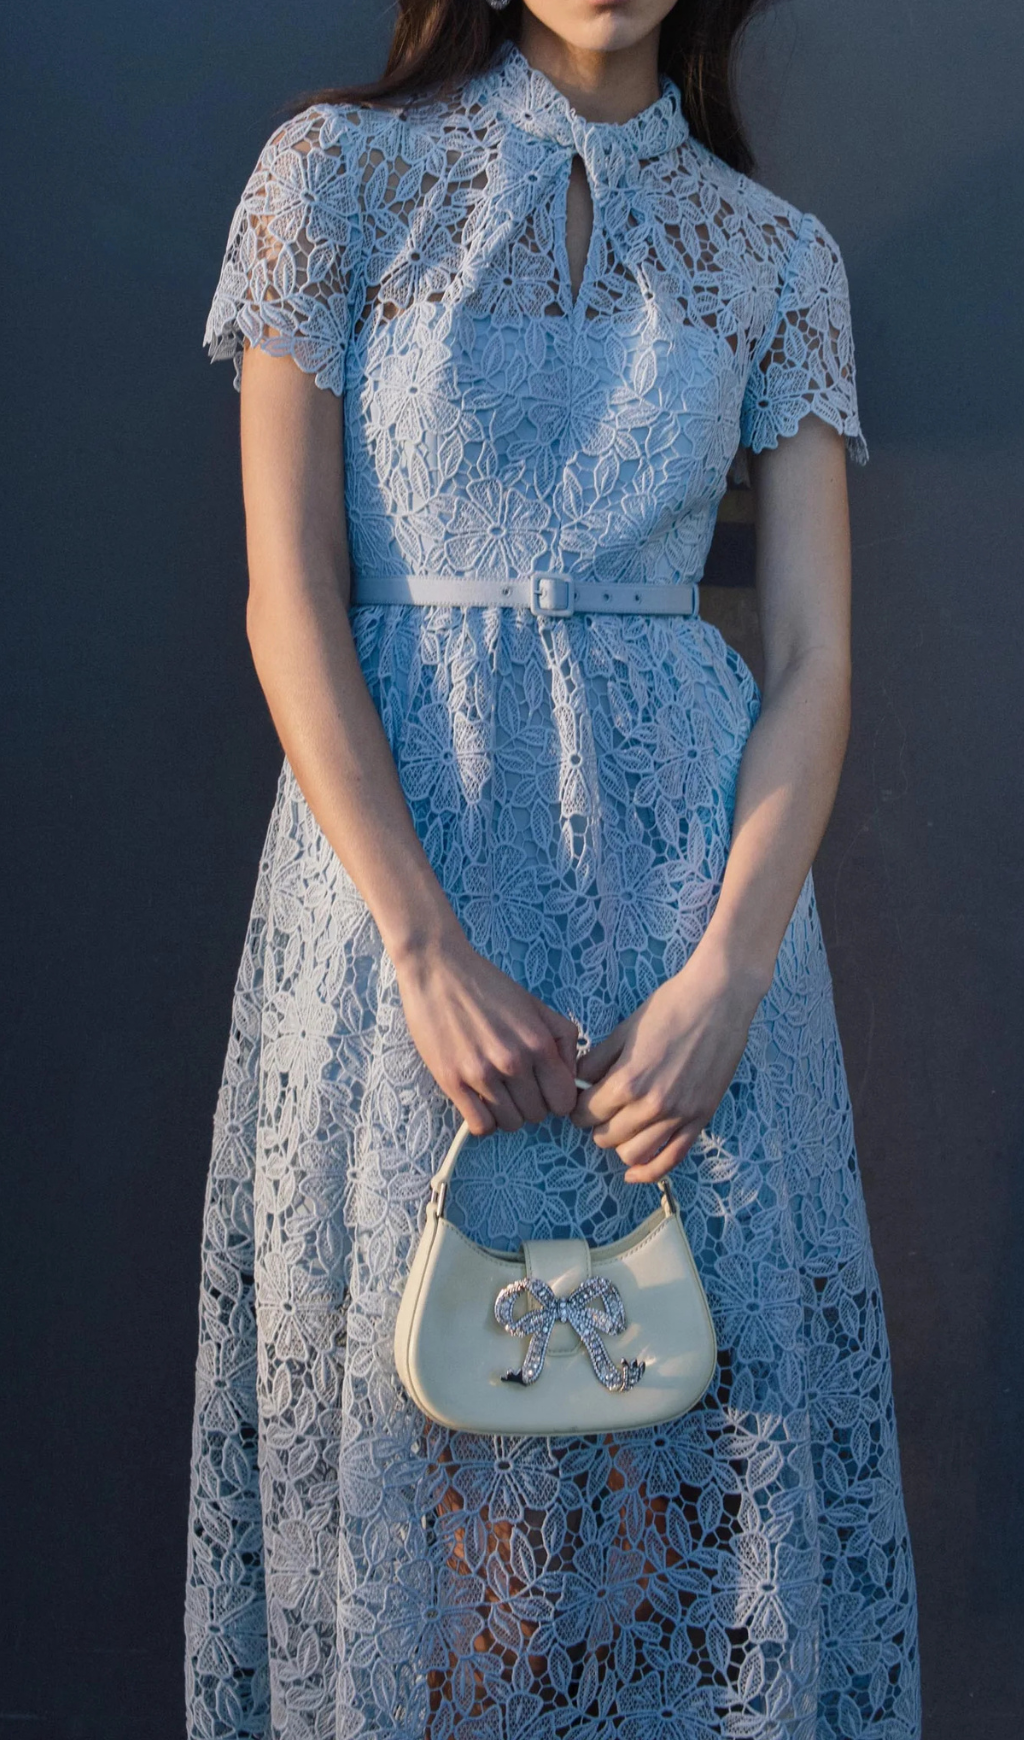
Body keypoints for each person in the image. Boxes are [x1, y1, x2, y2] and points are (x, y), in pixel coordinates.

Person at [185, 0, 922, 1735]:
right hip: (404, 903)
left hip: (689, 927)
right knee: (412, 1476)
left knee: (693, 1480)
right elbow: (288, 599)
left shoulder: (774, 257)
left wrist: (730, 976)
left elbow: (816, 659)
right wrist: (422, 947)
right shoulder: (333, 180)